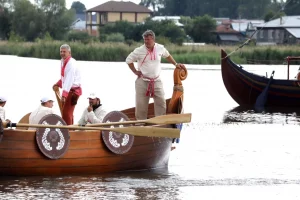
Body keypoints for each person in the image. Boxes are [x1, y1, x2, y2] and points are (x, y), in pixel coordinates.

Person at [125, 29, 186, 120]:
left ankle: (160, 124)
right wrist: (135, 71)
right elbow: (128, 60)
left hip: (156, 81)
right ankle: (141, 126)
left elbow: (167, 55)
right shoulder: (139, 50)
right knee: (141, 106)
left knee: (161, 103)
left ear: (153, 39)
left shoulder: (160, 48)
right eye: (145, 39)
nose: (146, 42)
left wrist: (176, 64)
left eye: (148, 39)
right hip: (142, 82)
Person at [53, 44, 82, 125]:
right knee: (68, 113)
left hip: (73, 91)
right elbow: (64, 77)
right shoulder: (63, 61)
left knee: (66, 113)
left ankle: (68, 131)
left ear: (69, 52)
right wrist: (58, 84)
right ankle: (70, 130)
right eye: (61, 51)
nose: (62, 53)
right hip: (70, 90)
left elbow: (69, 79)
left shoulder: (71, 63)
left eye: (64, 52)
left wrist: (64, 95)